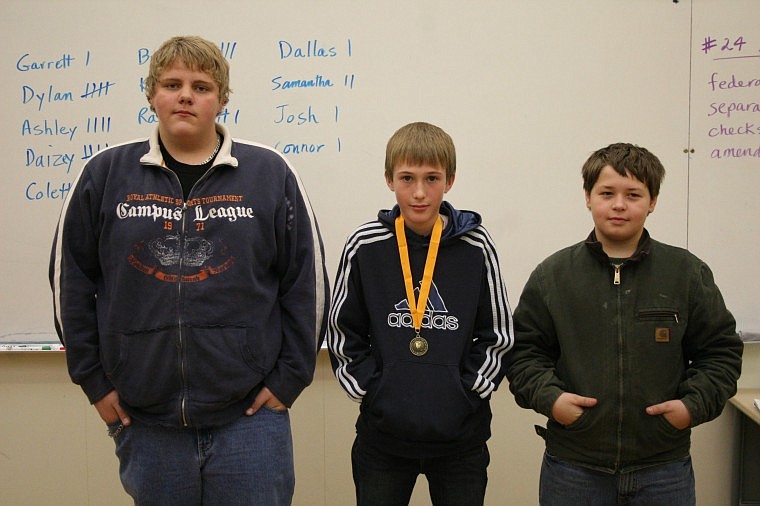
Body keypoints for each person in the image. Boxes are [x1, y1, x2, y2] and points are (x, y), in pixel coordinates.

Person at [49, 35, 329, 505]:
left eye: (201, 86)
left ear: (221, 98)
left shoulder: (269, 172)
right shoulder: (105, 174)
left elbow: (307, 282)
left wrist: (289, 379)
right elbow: (70, 282)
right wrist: (95, 382)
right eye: (172, 83)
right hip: (146, 418)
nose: (185, 95)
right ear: (151, 94)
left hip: (250, 418)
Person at [505, 142, 743, 506]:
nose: (619, 204)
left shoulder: (687, 274)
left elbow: (721, 354)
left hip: (663, 468)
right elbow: (524, 354)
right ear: (588, 197)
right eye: (607, 193)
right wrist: (551, 400)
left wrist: (691, 407)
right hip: (573, 467)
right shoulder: (552, 276)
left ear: (653, 201)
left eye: (633, 194)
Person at [326, 121, 514, 506]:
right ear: (388, 179)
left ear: (450, 181)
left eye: (432, 178)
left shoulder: (476, 244)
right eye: (406, 178)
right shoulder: (366, 244)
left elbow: (497, 333)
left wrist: (468, 392)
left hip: (461, 440)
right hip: (384, 439)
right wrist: (373, 391)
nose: (418, 192)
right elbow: (343, 331)